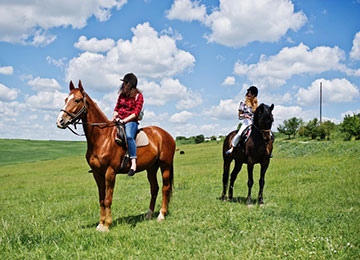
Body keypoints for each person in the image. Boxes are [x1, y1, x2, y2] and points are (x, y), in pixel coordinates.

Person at [112, 73, 144, 176]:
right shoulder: (121, 95)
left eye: (125, 83)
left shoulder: (139, 96)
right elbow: (116, 108)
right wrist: (114, 117)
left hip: (131, 121)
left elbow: (135, 113)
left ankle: (133, 162)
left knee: (129, 136)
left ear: (130, 84)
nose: (123, 85)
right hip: (119, 119)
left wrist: (124, 121)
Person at [226, 86, 258, 154]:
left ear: (254, 95)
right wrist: (245, 116)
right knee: (239, 134)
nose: (248, 95)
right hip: (247, 122)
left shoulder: (256, 105)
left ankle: (266, 151)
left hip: (255, 123)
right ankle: (232, 147)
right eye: (248, 93)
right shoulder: (243, 103)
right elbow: (239, 115)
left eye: (251, 93)